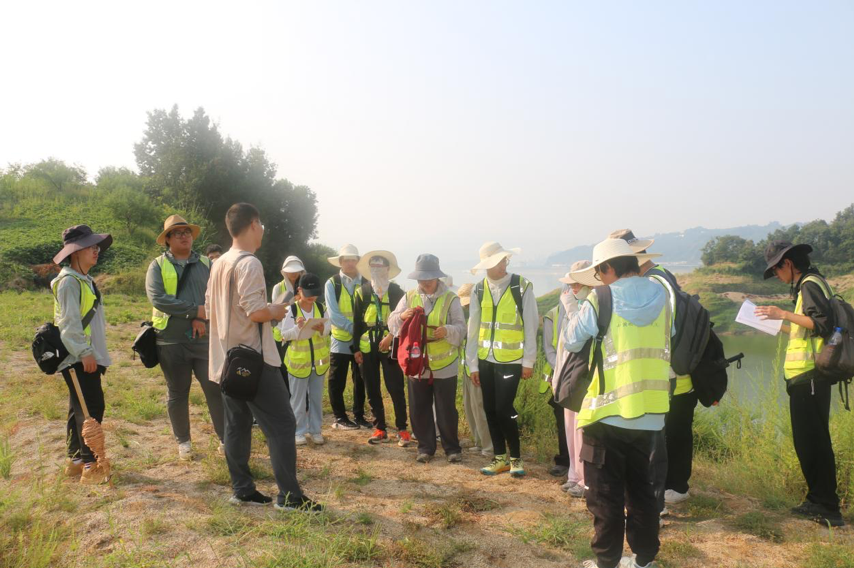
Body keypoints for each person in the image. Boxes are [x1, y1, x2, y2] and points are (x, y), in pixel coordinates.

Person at [564, 238, 672, 568]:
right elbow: (671, 336)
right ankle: (643, 560)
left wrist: (574, 306)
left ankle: (607, 562)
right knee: (643, 490)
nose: (600, 279)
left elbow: (572, 339)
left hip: (606, 413)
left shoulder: (601, 298)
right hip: (650, 413)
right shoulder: (662, 295)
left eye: (600, 273)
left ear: (609, 268)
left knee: (605, 494)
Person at [205, 202, 319, 511]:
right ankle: (290, 497)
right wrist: (277, 310)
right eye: (262, 225)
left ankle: (242, 490)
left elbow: (211, 308)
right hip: (254, 360)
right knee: (282, 424)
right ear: (254, 225)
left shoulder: (219, 264)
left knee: (237, 425)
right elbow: (255, 312)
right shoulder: (249, 263)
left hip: (226, 359)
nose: (263, 231)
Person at [754, 241, 844, 527]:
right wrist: (777, 324)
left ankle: (826, 506)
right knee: (810, 441)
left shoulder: (809, 284)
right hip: (806, 378)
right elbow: (806, 328)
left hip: (810, 377)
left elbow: (821, 324)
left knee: (812, 442)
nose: (776, 275)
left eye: (776, 269)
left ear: (788, 263)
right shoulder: (811, 284)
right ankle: (819, 500)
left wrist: (782, 313)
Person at [611, 228, 691, 510]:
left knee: (655, 439)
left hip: (660, 372)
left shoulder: (654, 283)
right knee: (659, 436)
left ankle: (657, 501)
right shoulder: (660, 277)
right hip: (661, 371)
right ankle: (660, 495)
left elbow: (669, 329)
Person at [146, 215, 224, 461]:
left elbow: (217, 296)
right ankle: (184, 442)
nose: (184, 236)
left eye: (187, 232)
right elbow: (158, 298)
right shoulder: (157, 266)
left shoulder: (207, 264)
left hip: (204, 340)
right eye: (178, 233)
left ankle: (225, 440)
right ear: (167, 239)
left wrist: (202, 317)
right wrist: (194, 311)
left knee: (215, 389)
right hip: (170, 341)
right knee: (178, 392)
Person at [466, 242, 538, 477]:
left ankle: (516, 458)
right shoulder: (478, 290)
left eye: (504, 260)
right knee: (489, 408)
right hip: (485, 360)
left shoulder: (521, 286)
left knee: (505, 408)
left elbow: (531, 324)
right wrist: (472, 364)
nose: (503, 265)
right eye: (498, 261)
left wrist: (528, 361)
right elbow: (473, 329)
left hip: (511, 360)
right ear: (487, 265)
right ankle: (499, 459)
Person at [390, 254, 466, 463]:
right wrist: (402, 316)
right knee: (419, 407)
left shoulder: (451, 298)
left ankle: (452, 449)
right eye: (422, 278)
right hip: (417, 363)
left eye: (429, 278)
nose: (425, 282)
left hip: (445, 363)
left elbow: (461, 327)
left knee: (446, 409)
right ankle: (425, 448)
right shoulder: (409, 296)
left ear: (437, 277)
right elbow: (392, 321)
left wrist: (447, 330)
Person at [51, 225, 112, 484]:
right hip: (79, 357)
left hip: (85, 355)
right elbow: (69, 324)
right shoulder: (68, 282)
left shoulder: (82, 279)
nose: (96, 251)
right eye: (90, 247)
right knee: (91, 409)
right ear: (75, 252)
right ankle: (90, 465)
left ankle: (75, 461)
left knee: (78, 408)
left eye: (96, 246)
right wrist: (85, 352)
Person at [351, 251, 410, 445]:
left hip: (391, 344)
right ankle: (380, 428)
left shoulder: (397, 291)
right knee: (372, 387)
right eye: (373, 266)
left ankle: (402, 429)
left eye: (380, 266)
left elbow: (403, 319)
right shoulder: (362, 292)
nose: (377, 269)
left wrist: (391, 336)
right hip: (367, 346)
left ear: (388, 269)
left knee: (395, 387)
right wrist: (355, 349)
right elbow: (357, 322)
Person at [547, 261, 592, 497]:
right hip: (567, 374)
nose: (573, 288)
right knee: (570, 428)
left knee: (582, 431)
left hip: (583, 376)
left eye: (577, 284)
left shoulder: (591, 304)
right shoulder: (570, 305)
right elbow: (562, 346)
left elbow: (577, 338)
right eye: (571, 284)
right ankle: (574, 475)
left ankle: (585, 480)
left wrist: (572, 309)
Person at [279, 273, 330, 446]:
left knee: (316, 398)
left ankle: (316, 430)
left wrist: (322, 329)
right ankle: (298, 431)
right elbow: (283, 335)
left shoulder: (321, 308)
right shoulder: (291, 310)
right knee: (298, 400)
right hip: (298, 364)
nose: (312, 297)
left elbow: (327, 330)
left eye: (315, 294)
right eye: (308, 293)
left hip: (319, 363)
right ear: (299, 290)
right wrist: (297, 328)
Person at [325, 244, 370, 430]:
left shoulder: (366, 282)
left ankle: (359, 415)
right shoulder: (332, 283)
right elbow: (334, 315)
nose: (350, 263)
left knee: (360, 379)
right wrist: (356, 329)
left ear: (358, 261)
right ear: (340, 262)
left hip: (362, 341)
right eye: (347, 260)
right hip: (340, 340)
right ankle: (340, 417)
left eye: (353, 259)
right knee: (337, 380)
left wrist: (360, 333)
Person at [457, 284, 493, 457]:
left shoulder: (484, 317)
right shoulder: (471, 317)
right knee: (470, 407)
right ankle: (478, 442)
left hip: (478, 369)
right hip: (468, 369)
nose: (466, 307)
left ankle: (489, 446)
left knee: (480, 408)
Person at [271, 255, 306, 389]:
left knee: (300, 366)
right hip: (281, 334)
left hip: (300, 332)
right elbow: (275, 310)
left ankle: (300, 395)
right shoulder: (278, 287)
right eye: (290, 270)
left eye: (296, 270)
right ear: (284, 271)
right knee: (283, 366)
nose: (293, 273)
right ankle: (286, 395)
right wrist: (294, 300)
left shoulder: (305, 287)